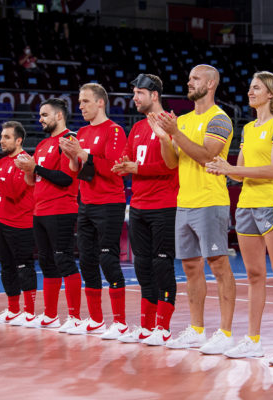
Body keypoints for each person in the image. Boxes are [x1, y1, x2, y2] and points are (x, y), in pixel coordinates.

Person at [206, 71, 273, 365]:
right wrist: (223, 168)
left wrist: (231, 170)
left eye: (256, 88)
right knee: (254, 275)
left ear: (270, 94)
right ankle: (253, 340)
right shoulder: (247, 129)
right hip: (246, 207)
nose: (250, 92)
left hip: (272, 206)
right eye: (250, 87)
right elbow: (241, 169)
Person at [149, 64, 236, 353]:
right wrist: (165, 138)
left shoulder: (219, 119)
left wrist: (175, 133)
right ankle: (197, 329)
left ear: (211, 84)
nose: (190, 83)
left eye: (195, 79)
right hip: (184, 202)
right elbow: (172, 162)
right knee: (189, 267)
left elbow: (207, 157)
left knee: (219, 265)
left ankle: (225, 332)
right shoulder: (182, 120)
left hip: (211, 201)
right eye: (188, 79)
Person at [111, 74, 178, 346]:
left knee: (162, 264)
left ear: (155, 95)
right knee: (142, 265)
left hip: (164, 205)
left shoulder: (172, 124)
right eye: (134, 93)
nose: (134, 98)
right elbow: (127, 159)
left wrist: (136, 168)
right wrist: (122, 165)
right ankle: (148, 324)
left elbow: (170, 166)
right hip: (138, 205)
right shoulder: (137, 128)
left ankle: (163, 327)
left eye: (140, 93)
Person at [59, 83, 128, 339]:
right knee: (87, 260)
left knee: (107, 258)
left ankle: (120, 322)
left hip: (109, 202)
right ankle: (97, 319)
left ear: (100, 102)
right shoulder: (82, 132)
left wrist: (82, 154)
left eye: (85, 101)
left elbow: (113, 166)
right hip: (85, 202)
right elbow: (78, 170)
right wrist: (72, 157)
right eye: (79, 102)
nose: (81, 106)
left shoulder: (115, 130)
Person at [14, 98, 82, 332]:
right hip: (40, 210)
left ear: (59, 116)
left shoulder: (69, 140)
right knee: (46, 262)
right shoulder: (43, 145)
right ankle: (51, 315)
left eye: (44, 115)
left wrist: (36, 169)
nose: (40, 119)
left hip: (61, 209)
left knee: (64, 260)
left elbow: (66, 179)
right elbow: (34, 180)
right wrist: (27, 170)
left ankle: (74, 317)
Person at [0, 121, 37, 325]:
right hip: (3, 222)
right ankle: (13, 309)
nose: (1, 140)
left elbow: (12, 192)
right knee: (7, 267)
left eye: (7, 137)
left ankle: (29, 312)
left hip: (21, 224)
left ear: (19, 140)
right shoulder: (2, 162)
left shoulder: (24, 161)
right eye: (1, 136)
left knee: (24, 267)